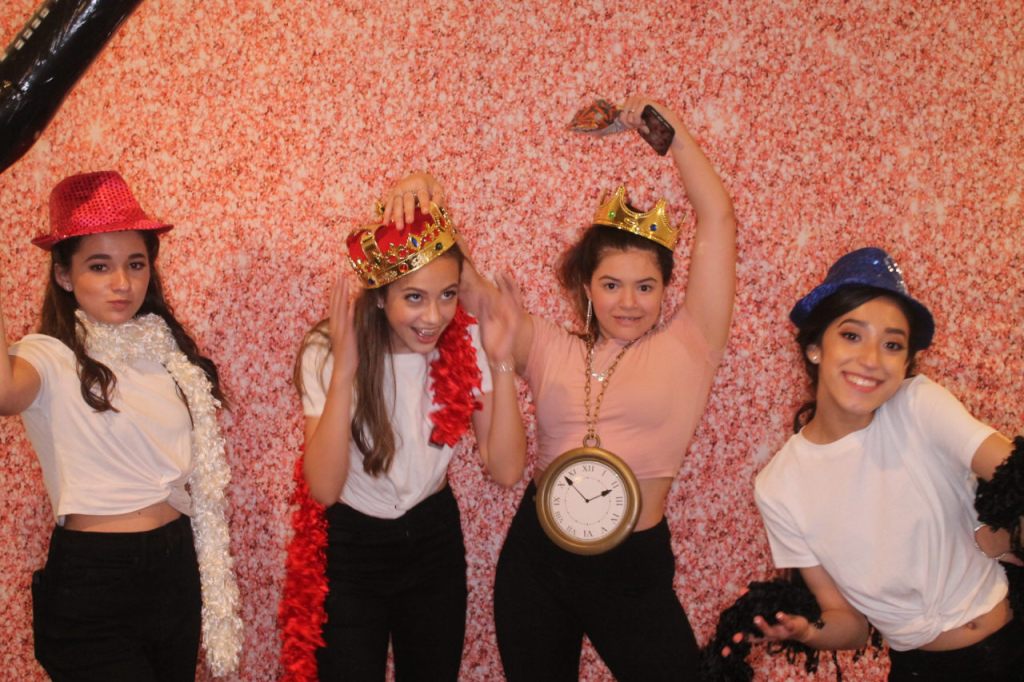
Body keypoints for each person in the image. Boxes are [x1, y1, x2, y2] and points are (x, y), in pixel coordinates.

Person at [391, 95, 736, 680]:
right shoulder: (550, 346)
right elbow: (467, 286)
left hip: (631, 567)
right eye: (611, 284)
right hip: (537, 560)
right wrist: (425, 197)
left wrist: (665, 131)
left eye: (646, 287)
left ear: (665, 290)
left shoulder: (691, 344)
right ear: (587, 288)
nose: (629, 302)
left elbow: (719, 219)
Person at [0, 171, 240, 680]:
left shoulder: (166, 352)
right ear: (64, 276)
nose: (122, 283)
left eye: (135, 263)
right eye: (99, 266)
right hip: (95, 577)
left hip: (176, 565)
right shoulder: (48, 354)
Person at [752, 247, 1023, 681]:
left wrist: (1010, 530)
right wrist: (806, 631)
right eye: (852, 335)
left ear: (905, 362)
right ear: (815, 347)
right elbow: (851, 626)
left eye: (892, 344)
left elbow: (1013, 469)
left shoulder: (917, 404)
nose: (872, 360)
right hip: (922, 671)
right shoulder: (778, 486)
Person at [291, 199, 526, 680]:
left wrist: (502, 360)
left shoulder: (468, 344)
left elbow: (505, 470)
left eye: (448, 295)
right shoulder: (328, 348)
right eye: (414, 297)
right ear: (380, 297)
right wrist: (345, 373)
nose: (434, 316)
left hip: (431, 540)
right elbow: (324, 489)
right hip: (352, 546)